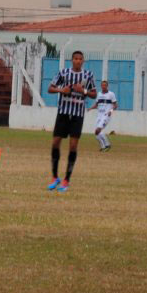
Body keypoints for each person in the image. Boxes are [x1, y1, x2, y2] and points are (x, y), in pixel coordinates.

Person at [47, 51, 97, 192]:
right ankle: (54, 176)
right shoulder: (63, 73)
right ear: (72, 60)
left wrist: (84, 91)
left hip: (78, 114)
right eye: (75, 58)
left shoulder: (88, 75)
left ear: (83, 61)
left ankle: (66, 179)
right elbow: (50, 88)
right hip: (63, 112)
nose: (78, 61)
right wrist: (61, 90)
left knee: (73, 146)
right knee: (55, 142)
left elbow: (94, 94)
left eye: (80, 59)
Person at [88, 80, 118, 152]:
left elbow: (115, 105)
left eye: (105, 85)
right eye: (102, 85)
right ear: (101, 86)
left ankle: (107, 144)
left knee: (98, 130)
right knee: (96, 133)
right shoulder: (99, 94)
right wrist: (90, 108)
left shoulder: (111, 94)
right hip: (99, 115)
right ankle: (103, 146)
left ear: (107, 86)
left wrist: (110, 111)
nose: (103, 86)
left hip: (106, 115)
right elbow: (96, 105)